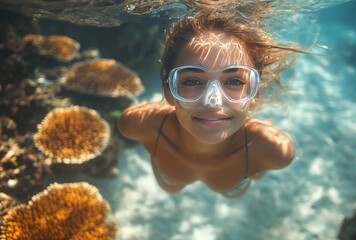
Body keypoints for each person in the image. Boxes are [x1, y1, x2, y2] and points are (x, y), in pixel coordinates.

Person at [118, 9, 304, 198]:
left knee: (227, 192)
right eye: (192, 81)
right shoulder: (135, 124)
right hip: (187, 177)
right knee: (172, 187)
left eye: (234, 81)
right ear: (169, 92)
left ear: (254, 91)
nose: (212, 100)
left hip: (237, 169)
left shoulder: (274, 151)